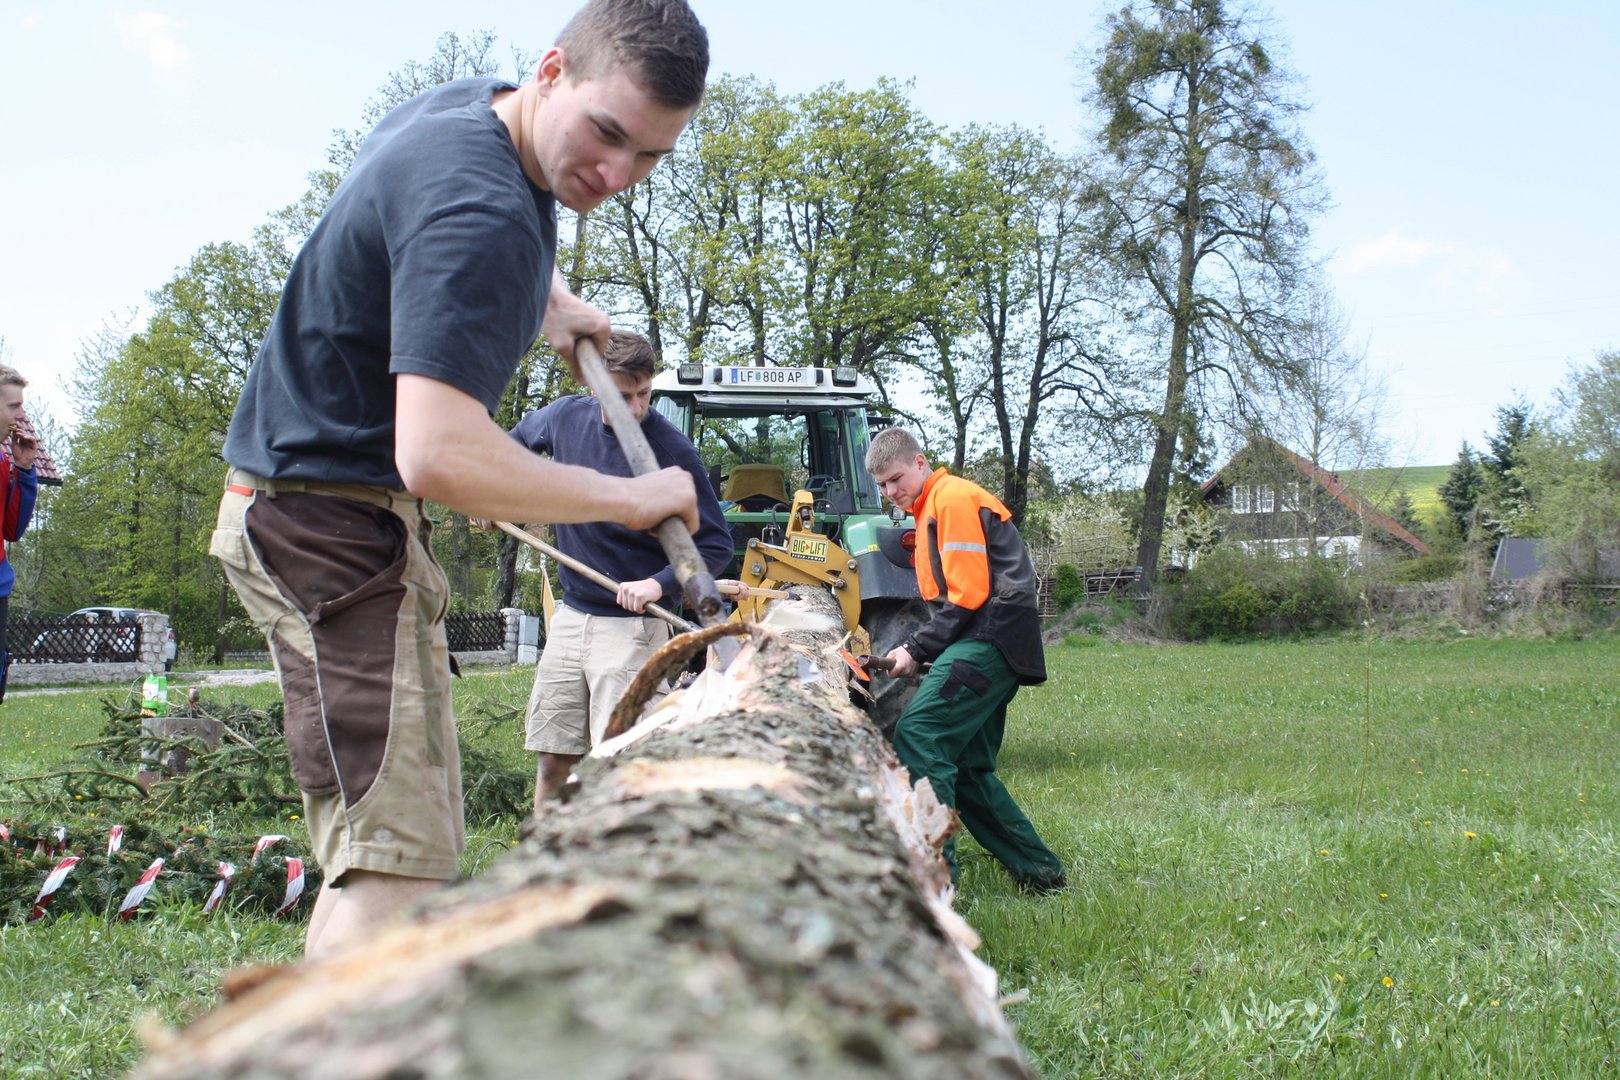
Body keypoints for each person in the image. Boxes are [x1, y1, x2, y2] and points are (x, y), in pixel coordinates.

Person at [209, 0, 710, 957]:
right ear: (552, 72)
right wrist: (633, 498)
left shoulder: (466, 111)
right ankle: (336, 1036)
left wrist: (548, 299)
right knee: (396, 870)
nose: (617, 175)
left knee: (385, 850)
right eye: (607, 135)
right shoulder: (487, 219)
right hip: (327, 532)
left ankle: (332, 1025)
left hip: (307, 508)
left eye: (650, 156)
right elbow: (437, 453)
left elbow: (417, 207)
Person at [507, 330, 731, 811]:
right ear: (593, 386)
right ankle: (547, 848)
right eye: (621, 396)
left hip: (633, 629)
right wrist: (492, 496)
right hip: (571, 618)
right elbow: (515, 443)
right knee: (553, 759)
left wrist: (658, 583)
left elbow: (715, 544)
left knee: (622, 768)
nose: (635, 408)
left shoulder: (670, 451)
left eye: (643, 394)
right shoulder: (566, 418)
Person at [867, 428, 1067, 894]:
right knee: (970, 768)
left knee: (919, 734)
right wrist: (920, 651)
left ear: (920, 463)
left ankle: (937, 881)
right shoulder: (930, 510)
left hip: (990, 637)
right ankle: (1042, 874)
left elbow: (970, 594)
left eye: (896, 479)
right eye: (882, 486)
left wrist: (915, 649)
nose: (891, 491)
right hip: (992, 638)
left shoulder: (951, 499)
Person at [0, 366, 39, 704]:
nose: (20, 415)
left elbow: (11, 530)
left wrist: (24, 469)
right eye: (13, 406)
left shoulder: (3, 460)